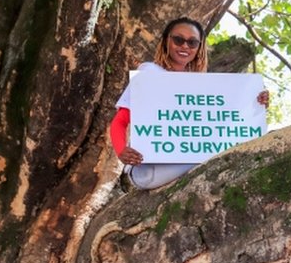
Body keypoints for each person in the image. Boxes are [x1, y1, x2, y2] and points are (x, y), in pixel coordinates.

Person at [109, 17, 269, 189]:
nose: (185, 46)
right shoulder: (149, 73)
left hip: (187, 160)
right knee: (224, 156)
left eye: (192, 43)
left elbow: (227, 124)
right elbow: (120, 121)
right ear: (166, 42)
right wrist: (121, 150)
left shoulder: (200, 87)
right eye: (178, 40)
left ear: (199, 48)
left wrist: (255, 101)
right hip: (147, 169)